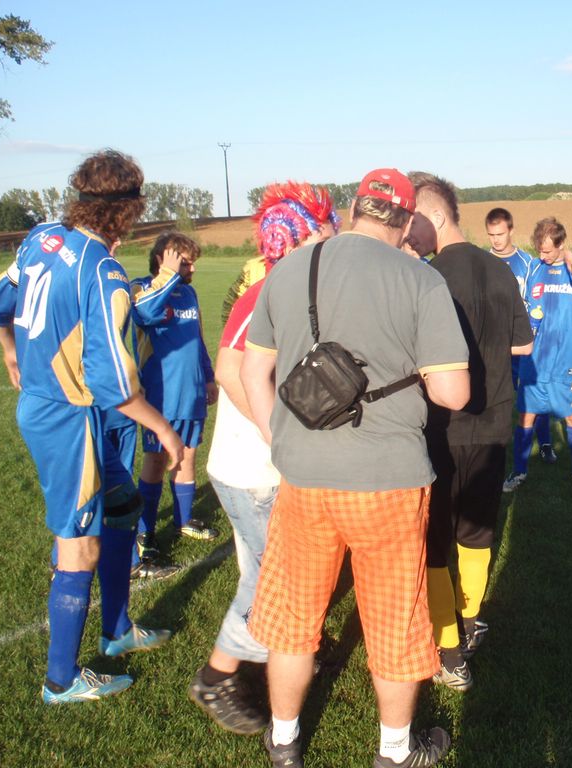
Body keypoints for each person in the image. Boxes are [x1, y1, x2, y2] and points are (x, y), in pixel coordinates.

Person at [241, 168, 469, 768]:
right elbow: (452, 392)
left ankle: (284, 741)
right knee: (395, 620)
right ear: (406, 221)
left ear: (352, 210)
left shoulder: (291, 267)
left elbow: (251, 371)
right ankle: (394, 751)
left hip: (303, 476)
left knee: (294, 616)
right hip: (389, 481)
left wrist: (278, 440)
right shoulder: (421, 279)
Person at [0, 149, 181, 703]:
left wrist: (8, 350)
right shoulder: (104, 271)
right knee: (78, 547)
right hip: (67, 418)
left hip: (61, 408)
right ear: (128, 210)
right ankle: (61, 680)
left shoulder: (42, 238)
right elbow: (113, 382)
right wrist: (165, 431)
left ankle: (116, 631)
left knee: (122, 507)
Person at [188, 183, 339, 735]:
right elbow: (230, 371)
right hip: (255, 469)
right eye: (328, 225)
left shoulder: (282, 285)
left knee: (265, 573)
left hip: (252, 466)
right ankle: (218, 675)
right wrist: (278, 435)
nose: (336, 233)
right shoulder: (270, 290)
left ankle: (284, 651)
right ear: (305, 233)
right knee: (272, 581)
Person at [410, 174, 533, 691]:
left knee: (437, 538)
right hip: (493, 419)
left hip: (442, 426)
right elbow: (524, 345)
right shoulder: (501, 270)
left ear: (437, 216)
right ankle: (471, 617)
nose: (406, 232)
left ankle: (449, 651)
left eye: (412, 220)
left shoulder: (429, 277)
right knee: (476, 533)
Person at [132, 232, 219, 562]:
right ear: (163, 259)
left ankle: (184, 520)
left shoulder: (189, 293)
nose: (192, 268)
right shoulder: (142, 288)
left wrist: (207, 377)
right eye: (185, 262)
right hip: (160, 396)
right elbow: (144, 314)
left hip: (191, 391)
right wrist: (167, 276)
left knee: (187, 456)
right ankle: (145, 532)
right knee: (156, 461)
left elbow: (198, 340)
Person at [504, 217, 572, 493]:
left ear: (562, 244)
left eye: (548, 250)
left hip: (564, 362)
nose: (543, 256)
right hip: (533, 362)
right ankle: (519, 471)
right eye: (539, 250)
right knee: (525, 417)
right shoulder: (534, 268)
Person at [485, 207, 555, 462]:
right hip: (494, 346)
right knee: (494, 398)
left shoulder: (528, 263)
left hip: (523, 344)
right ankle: (494, 445)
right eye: (491, 234)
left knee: (535, 395)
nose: (496, 240)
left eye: (500, 234)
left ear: (511, 231)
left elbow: (537, 302)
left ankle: (545, 442)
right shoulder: (482, 262)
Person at [220, 182, 343, 322]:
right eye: (323, 243)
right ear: (290, 250)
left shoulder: (332, 289)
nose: (333, 251)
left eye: (334, 242)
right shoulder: (257, 293)